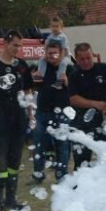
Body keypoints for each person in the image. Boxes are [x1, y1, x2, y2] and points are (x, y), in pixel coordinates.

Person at [0, 30, 34, 211]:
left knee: (15, 159)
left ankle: (10, 199)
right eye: (15, 45)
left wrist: (31, 113)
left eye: (20, 45)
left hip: (18, 117)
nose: (18, 49)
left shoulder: (22, 66)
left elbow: (27, 92)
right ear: (5, 43)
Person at [68, 42, 106, 169]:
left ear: (93, 55)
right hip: (82, 123)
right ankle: (80, 187)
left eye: (88, 58)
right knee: (81, 163)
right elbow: (73, 99)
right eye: (82, 59)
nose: (86, 61)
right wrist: (95, 104)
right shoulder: (74, 75)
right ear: (76, 59)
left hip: (104, 122)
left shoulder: (103, 68)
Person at [32, 40, 72, 183]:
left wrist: (67, 82)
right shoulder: (41, 68)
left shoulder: (68, 68)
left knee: (62, 145)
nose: (51, 56)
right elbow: (34, 88)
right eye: (49, 53)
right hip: (42, 112)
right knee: (38, 144)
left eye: (55, 53)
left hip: (62, 113)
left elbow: (76, 91)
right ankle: (38, 175)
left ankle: (62, 175)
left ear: (61, 53)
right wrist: (34, 80)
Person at [37, 16, 70, 87]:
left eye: (57, 26)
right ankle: (40, 76)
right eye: (53, 26)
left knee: (63, 64)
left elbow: (63, 50)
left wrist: (59, 60)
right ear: (50, 27)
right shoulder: (50, 37)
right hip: (53, 56)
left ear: (61, 27)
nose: (55, 28)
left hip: (64, 56)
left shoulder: (63, 37)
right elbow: (46, 47)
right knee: (41, 60)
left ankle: (59, 81)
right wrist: (46, 56)